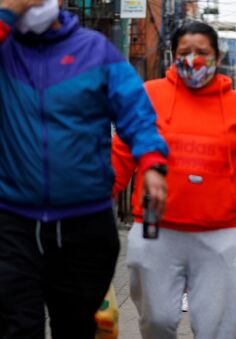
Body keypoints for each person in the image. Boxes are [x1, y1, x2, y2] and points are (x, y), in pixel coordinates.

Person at [0, 1, 169, 338]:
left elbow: (135, 109)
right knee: (16, 327)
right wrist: (6, 14)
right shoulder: (6, 49)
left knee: (76, 327)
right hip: (12, 221)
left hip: (85, 222)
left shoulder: (94, 50)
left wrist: (151, 162)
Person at [111, 21, 236, 339]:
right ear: (173, 55)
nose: (193, 59)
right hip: (155, 228)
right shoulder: (149, 95)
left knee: (216, 327)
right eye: (185, 52)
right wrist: (95, 196)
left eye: (202, 52)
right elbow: (122, 154)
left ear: (217, 56)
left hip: (220, 234)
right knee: (156, 320)